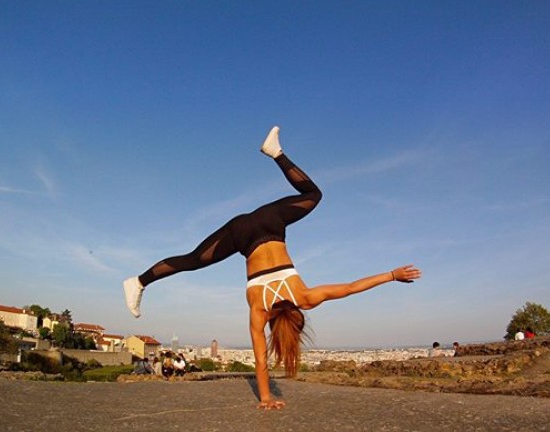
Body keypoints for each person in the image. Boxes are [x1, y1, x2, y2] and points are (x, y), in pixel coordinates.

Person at [123, 126, 422, 409]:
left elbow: (350, 288)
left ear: (299, 317)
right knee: (192, 261)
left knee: (313, 196)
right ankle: (137, 282)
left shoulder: (304, 297)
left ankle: (276, 153)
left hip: (269, 220)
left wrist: (392, 275)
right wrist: (265, 398)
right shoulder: (260, 312)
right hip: (240, 232)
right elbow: (261, 361)